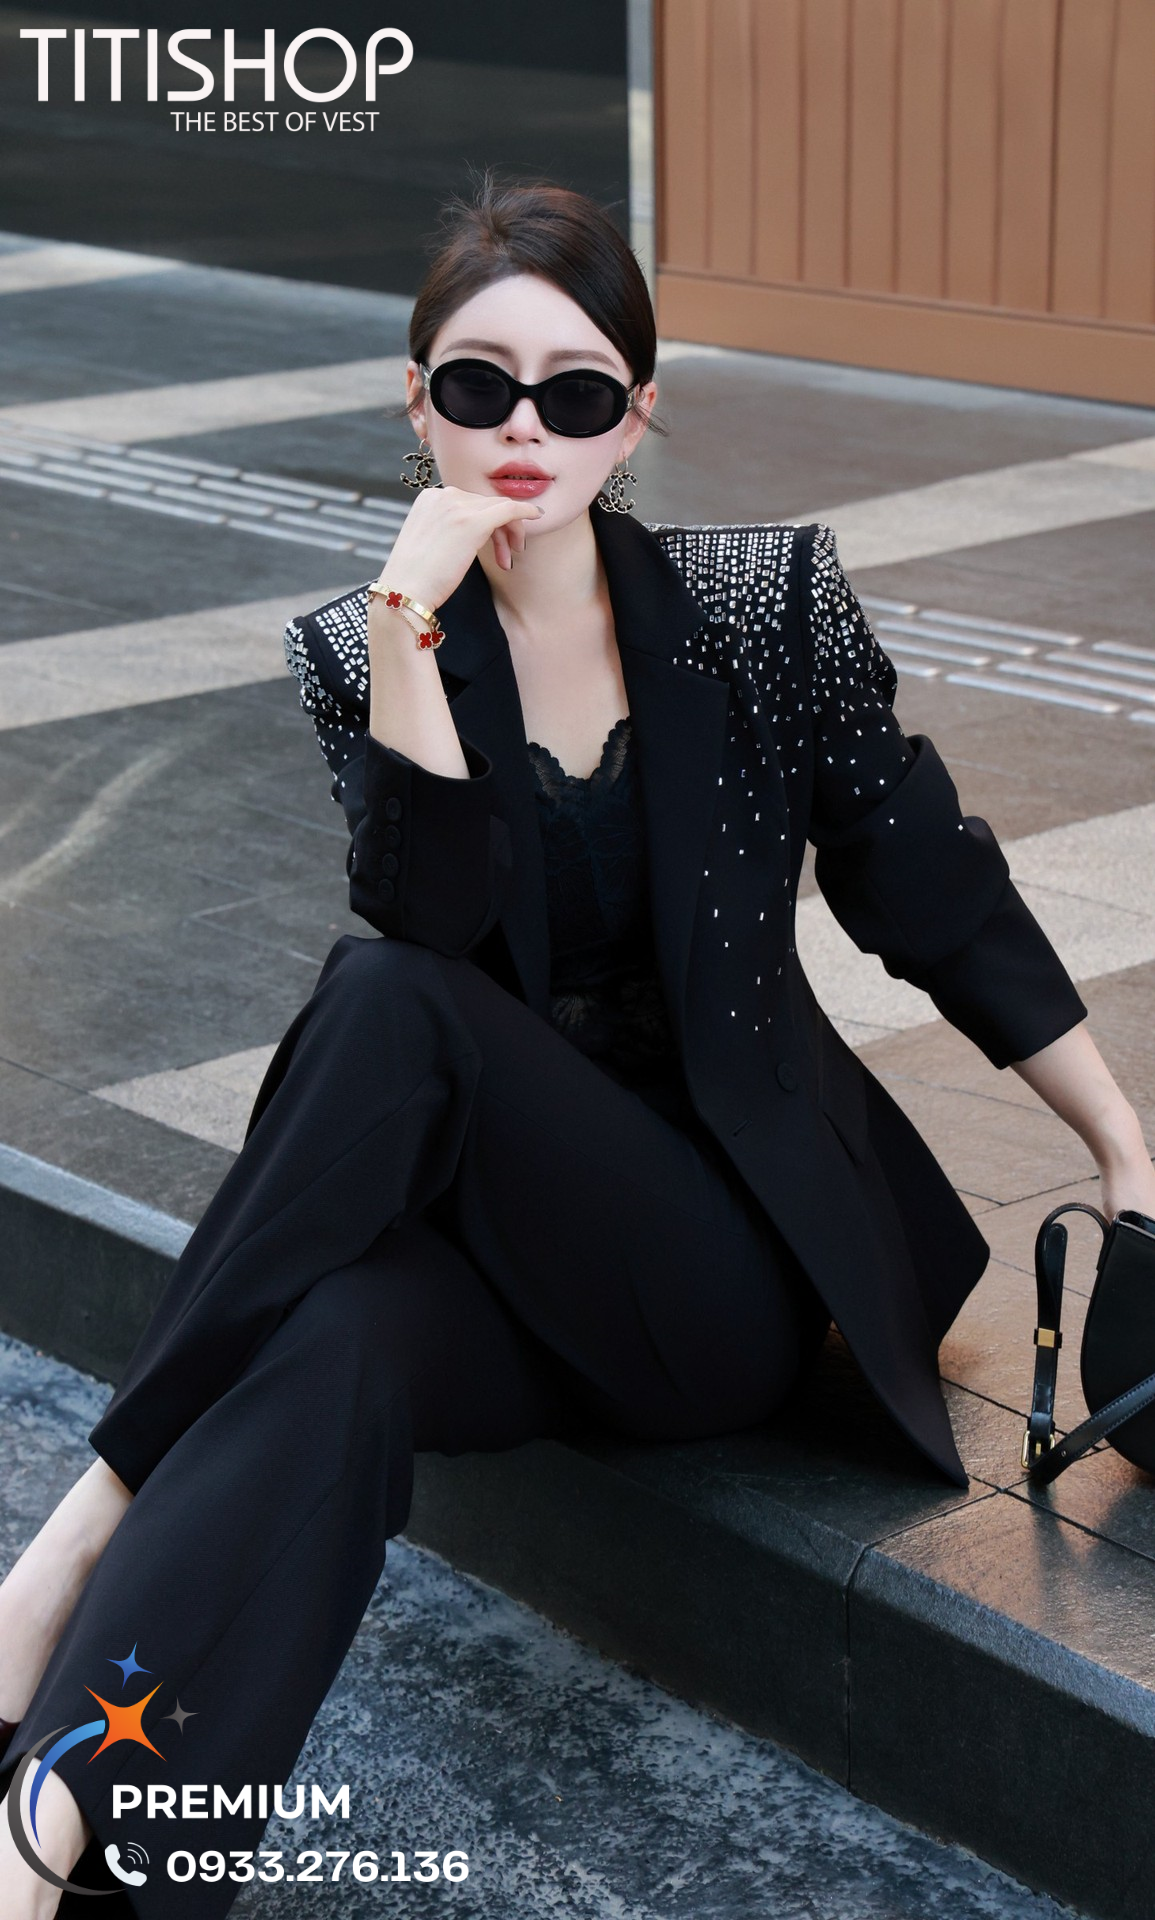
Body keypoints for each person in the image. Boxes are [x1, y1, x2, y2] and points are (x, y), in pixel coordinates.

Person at [1, 175, 1153, 1917]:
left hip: (723, 1277)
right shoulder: (357, 648)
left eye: (576, 391)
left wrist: (1122, 1148)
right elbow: (437, 913)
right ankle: (76, 1838)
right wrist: (406, 628)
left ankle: (81, 1517)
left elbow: (927, 888)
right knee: (333, 1337)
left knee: (380, 1004)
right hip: (509, 1266)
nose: (524, 429)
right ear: (416, 405)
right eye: (479, 388)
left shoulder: (761, 607)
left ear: (638, 413)